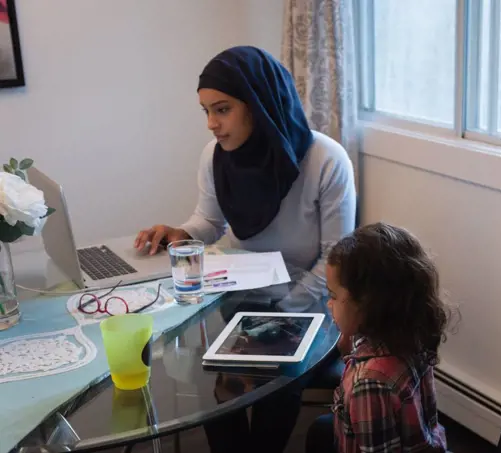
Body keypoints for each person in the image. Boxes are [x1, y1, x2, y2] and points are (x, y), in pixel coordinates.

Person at [135, 46, 356, 453]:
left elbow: (335, 263)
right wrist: (180, 232)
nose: (211, 125)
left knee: (275, 382)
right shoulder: (215, 157)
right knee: (213, 379)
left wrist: (275, 320)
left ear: (258, 104)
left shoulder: (326, 161)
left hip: (309, 305)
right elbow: (210, 222)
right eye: (205, 111)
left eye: (222, 110)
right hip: (240, 296)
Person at [306, 222, 449, 453]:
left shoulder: (370, 383)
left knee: (319, 433)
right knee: (320, 430)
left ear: (367, 303)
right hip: (426, 441)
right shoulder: (410, 332)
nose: (329, 303)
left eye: (333, 295)